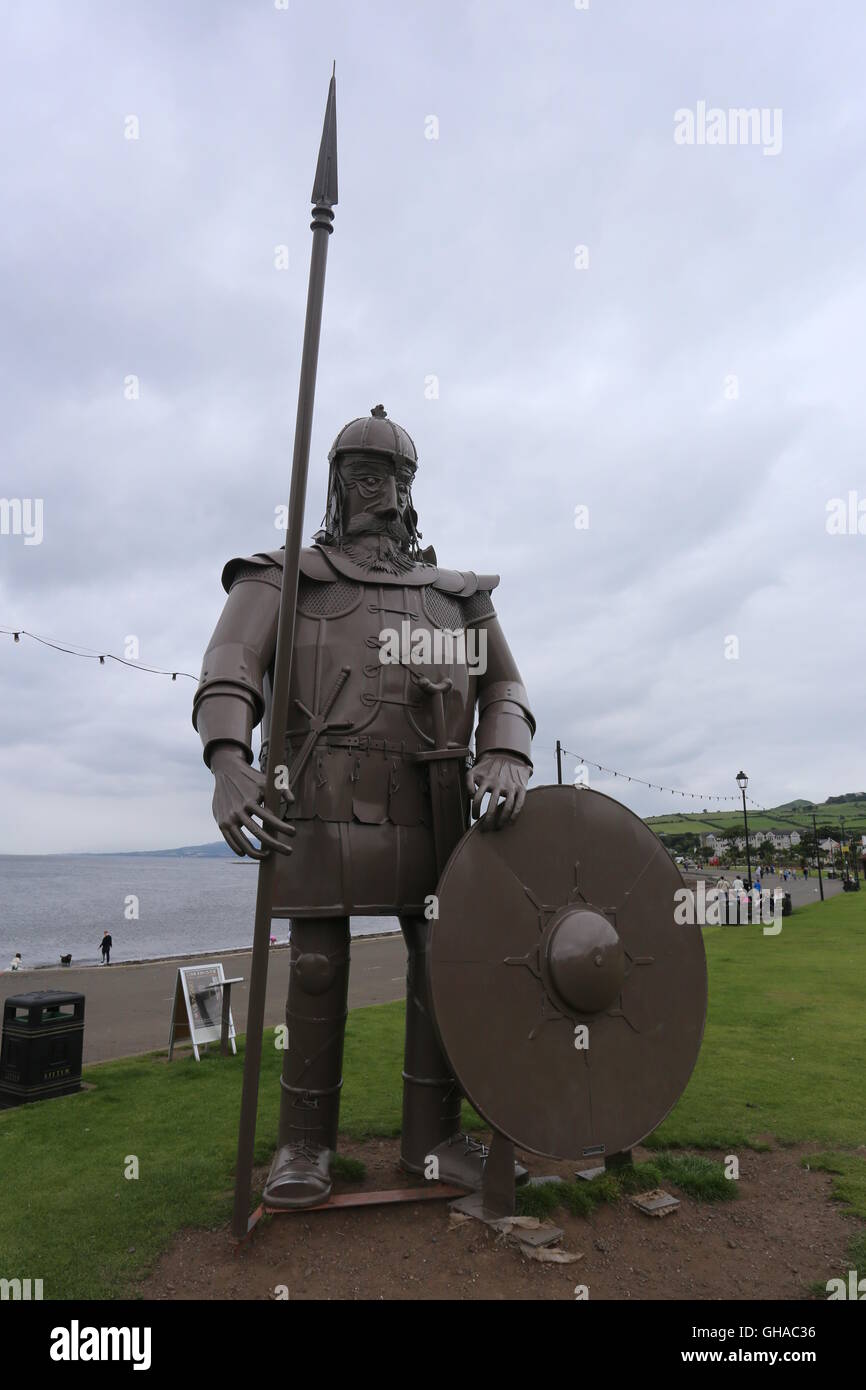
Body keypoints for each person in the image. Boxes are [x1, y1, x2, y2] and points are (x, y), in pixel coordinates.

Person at [194, 405, 534, 1208]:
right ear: (338, 485)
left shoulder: (456, 598)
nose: (376, 489)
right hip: (314, 798)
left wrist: (506, 751)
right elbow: (229, 666)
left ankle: (435, 1142)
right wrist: (227, 759)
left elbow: (506, 687)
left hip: (436, 804)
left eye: (390, 475)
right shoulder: (282, 575)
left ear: (409, 490)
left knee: (438, 966)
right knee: (315, 968)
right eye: (361, 474)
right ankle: (304, 1147)